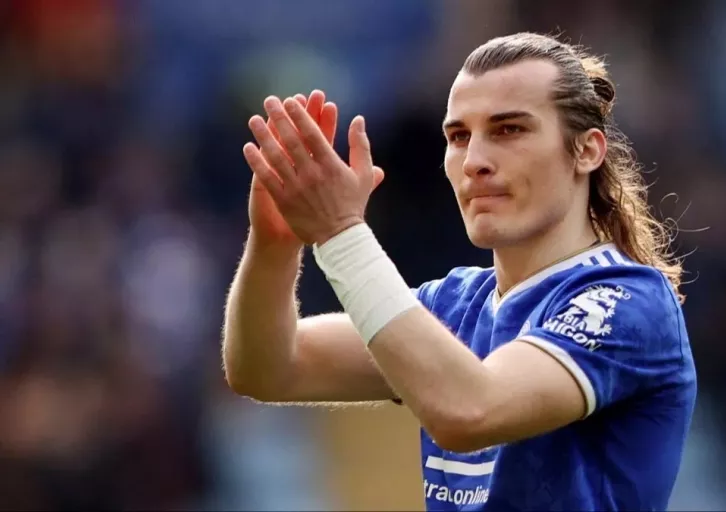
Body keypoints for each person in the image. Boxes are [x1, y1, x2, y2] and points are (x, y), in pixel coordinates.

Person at [222, 32, 697, 511]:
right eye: (458, 137)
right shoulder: (454, 305)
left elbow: (470, 411)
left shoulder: (627, 301)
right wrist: (275, 244)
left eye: (509, 129)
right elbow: (269, 370)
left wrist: (341, 233)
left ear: (587, 151)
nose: (474, 162)